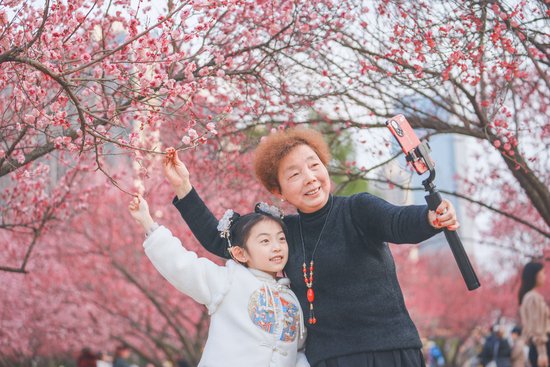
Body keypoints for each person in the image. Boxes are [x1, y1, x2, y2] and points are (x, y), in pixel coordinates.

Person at [163, 127, 460, 367]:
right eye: (294, 174)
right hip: (328, 359)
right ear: (278, 191)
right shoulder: (283, 234)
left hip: (388, 351)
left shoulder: (357, 209)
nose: (309, 178)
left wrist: (430, 218)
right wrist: (184, 190)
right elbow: (223, 241)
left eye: (314, 165)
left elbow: (397, 222)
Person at [128, 194, 308, 367]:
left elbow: (297, 351)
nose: (277, 247)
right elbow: (183, 266)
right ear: (240, 253)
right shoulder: (229, 281)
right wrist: (147, 223)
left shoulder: (291, 298)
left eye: (281, 239)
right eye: (265, 241)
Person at [519, 261, 550, 367]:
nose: (545, 276)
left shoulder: (528, 297)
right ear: (535, 276)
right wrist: (542, 353)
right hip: (542, 347)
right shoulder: (533, 297)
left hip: (538, 346)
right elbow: (537, 327)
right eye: (543, 273)